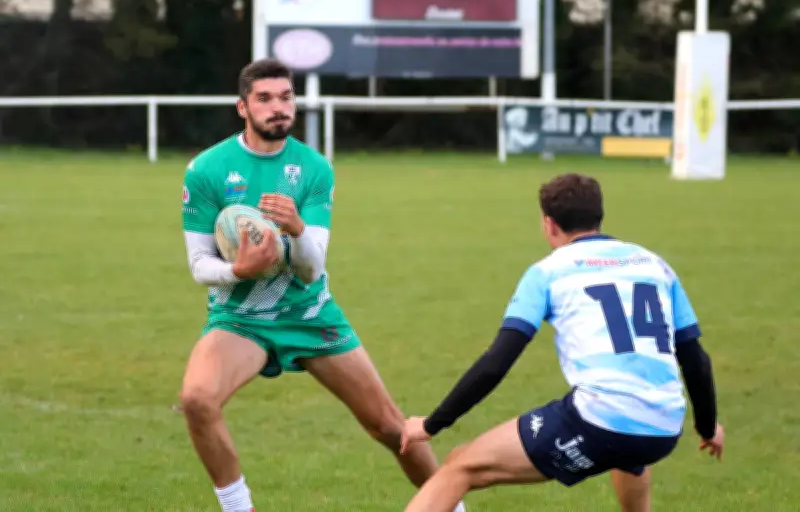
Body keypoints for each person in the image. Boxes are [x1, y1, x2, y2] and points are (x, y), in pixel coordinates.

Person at [179, 58, 465, 512]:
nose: (279, 108)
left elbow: (312, 269)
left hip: (309, 314)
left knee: (391, 428)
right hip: (240, 319)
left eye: (286, 97)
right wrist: (239, 271)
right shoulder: (207, 170)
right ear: (242, 107)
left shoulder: (313, 169)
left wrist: (295, 229)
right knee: (196, 399)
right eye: (265, 99)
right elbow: (198, 264)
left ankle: (453, 509)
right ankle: (239, 508)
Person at [399, 173, 724, 512]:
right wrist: (707, 425)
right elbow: (695, 359)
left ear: (549, 224)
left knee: (459, 465)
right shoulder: (656, 265)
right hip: (664, 426)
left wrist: (431, 424)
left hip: (600, 421)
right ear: (598, 217)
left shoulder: (547, 273)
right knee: (629, 453)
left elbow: (497, 362)